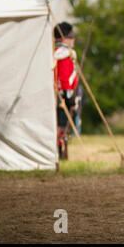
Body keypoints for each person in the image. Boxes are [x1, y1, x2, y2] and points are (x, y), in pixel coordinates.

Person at [53, 21, 78, 159]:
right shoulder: (65, 56)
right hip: (64, 96)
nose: (73, 39)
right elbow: (64, 80)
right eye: (71, 36)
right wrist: (71, 101)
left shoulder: (57, 53)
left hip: (60, 95)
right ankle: (59, 151)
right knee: (62, 126)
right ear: (64, 39)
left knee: (62, 126)